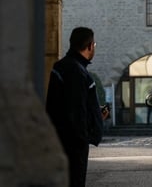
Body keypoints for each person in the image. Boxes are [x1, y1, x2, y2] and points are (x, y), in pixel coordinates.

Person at [46, 27, 109, 187]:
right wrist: (87, 132)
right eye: (94, 44)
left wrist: (96, 116)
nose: (94, 47)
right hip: (74, 145)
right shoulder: (79, 73)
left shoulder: (60, 67)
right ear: (89, 46)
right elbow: (75, 110)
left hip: (59, 139)